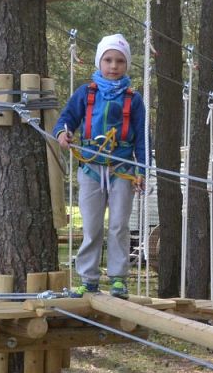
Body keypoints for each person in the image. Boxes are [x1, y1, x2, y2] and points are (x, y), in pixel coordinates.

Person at [54, 33, 146, 298]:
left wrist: (142, 171)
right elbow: (66, 119)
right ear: (99, 62)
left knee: (118, 224)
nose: (113, 66)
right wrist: (63, 132)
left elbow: (142, 138)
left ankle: (118, 278)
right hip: (91, 168)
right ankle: (88, 278)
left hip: (122, 170)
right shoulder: (86, 93)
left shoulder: (134, 99)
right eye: (108, 60)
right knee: (92, 226)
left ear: (126, 64)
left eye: (119, 61)